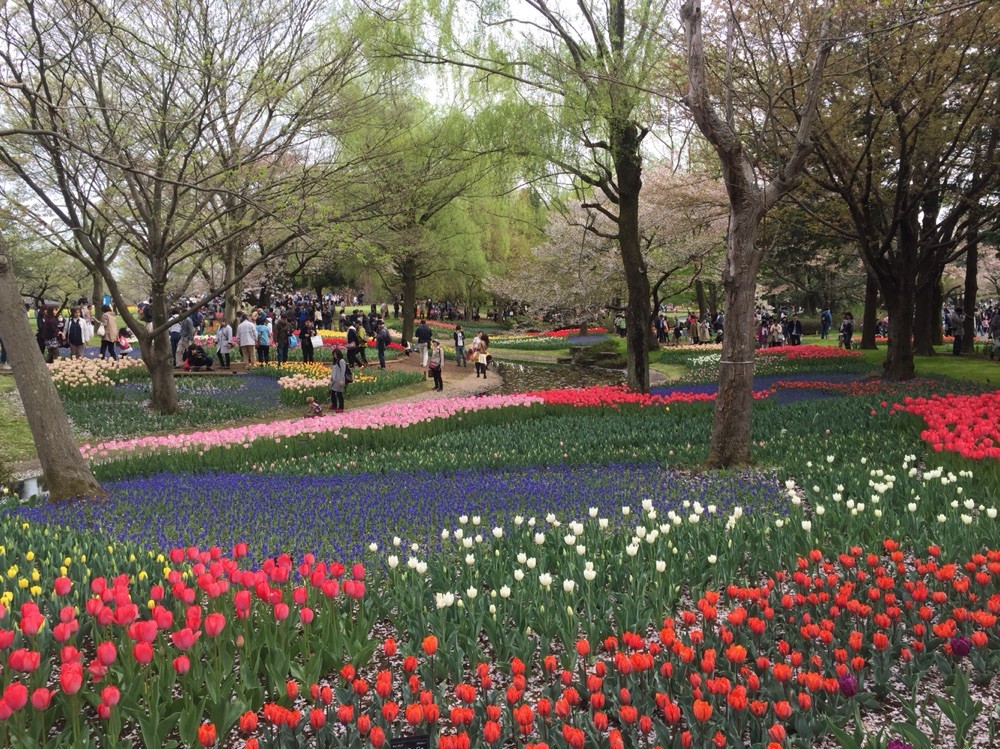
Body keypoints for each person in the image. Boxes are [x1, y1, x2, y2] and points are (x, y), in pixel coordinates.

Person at [329, 347, 347, 413]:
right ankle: (334, 405)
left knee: (339, 394)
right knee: (332, 393)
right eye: (334, 354)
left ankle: (341, 407)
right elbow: (334, 370)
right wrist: (332, 377)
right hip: (334, 380)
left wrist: (342, 380)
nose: (335, 356)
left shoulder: (341, 361)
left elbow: (343, 371)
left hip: (339, 380)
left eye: (336, 354)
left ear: (339, 354)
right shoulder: (336, 361)